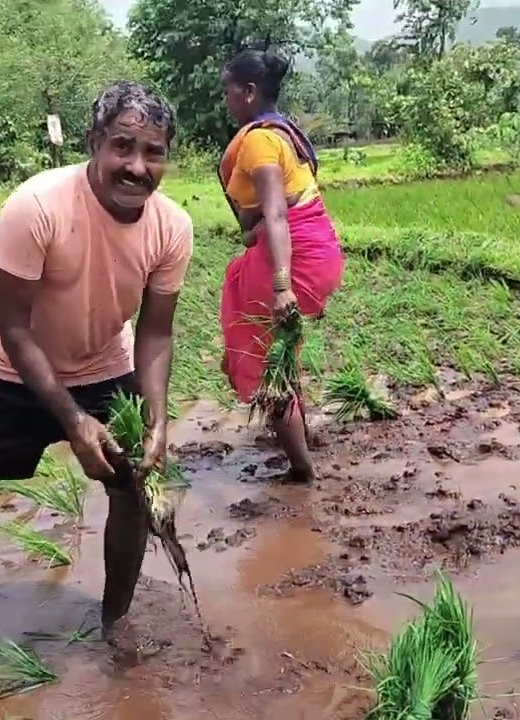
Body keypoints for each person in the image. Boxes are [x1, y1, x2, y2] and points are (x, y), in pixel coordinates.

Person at [0, 82, 193, 634]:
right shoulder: (36, 206)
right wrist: (73, 420)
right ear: (94, 142)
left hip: (105, 363)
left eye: (154, 152)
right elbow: (14, 327)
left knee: (132, 484)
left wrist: (158, 419)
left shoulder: (172, 226)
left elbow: (155, 333)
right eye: (123, 146)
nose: (137, 167)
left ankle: (115, 622)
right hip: (10, 369)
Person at [218, 49, 345, 483]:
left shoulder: (259, 141)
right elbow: (282, 208)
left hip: (293, 260)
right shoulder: (286, 133)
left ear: (249, 91)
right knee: (280, 351)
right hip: (315, 250)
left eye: (229, 91)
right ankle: (299, 437)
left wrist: (281, 286)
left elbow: (275, 213)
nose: (226, 100)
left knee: (266, 363)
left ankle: (301, 470)